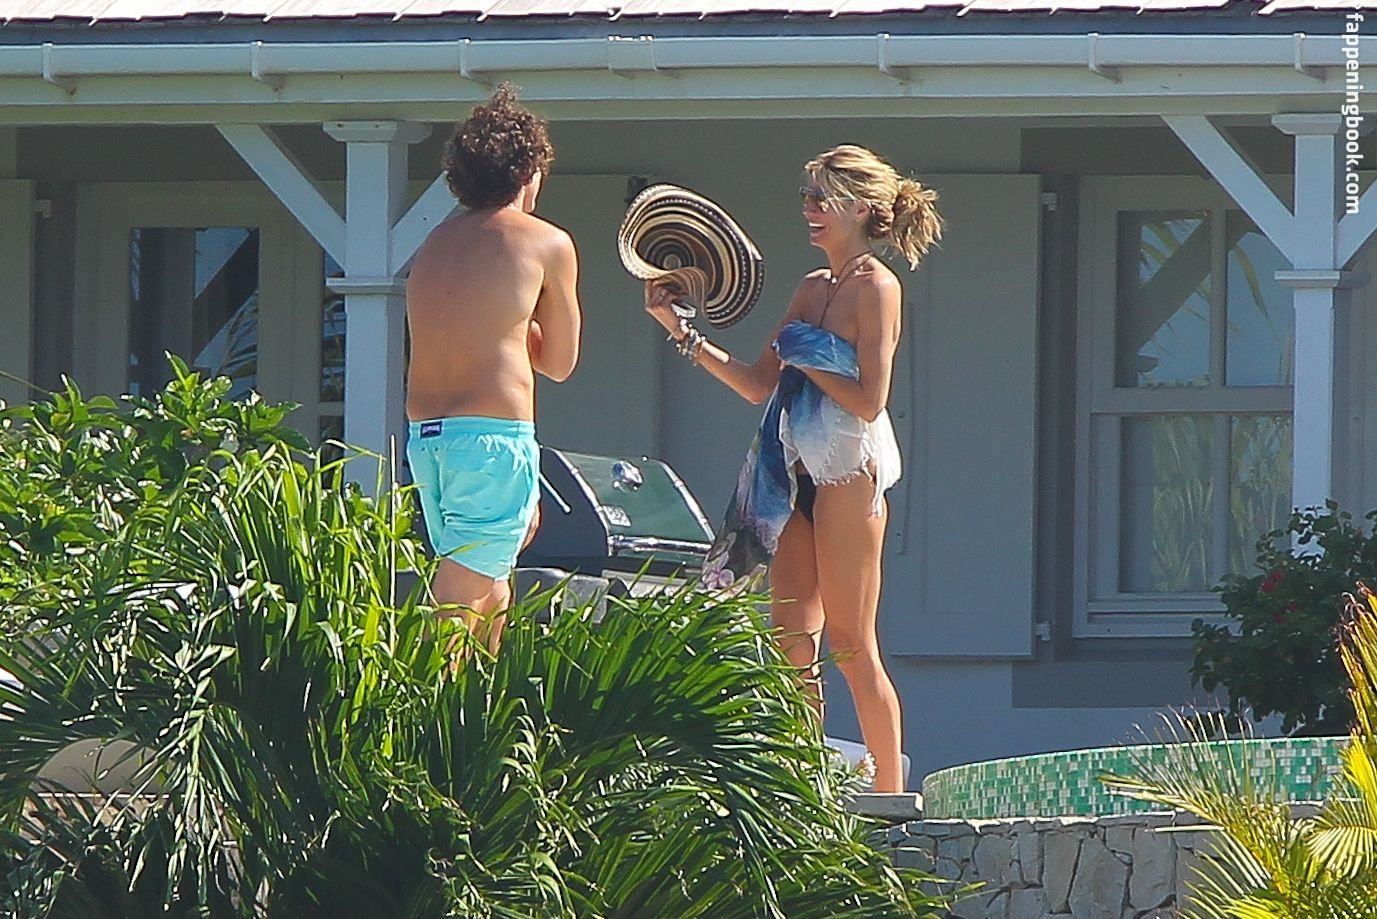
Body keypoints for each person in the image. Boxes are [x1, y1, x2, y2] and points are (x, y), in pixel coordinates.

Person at [643, 145, 941, 792]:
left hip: (847, 476)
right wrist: (683, 331)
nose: (808, 208)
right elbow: (758, 384)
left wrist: (807, 354)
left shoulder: (877, 288)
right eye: (806, 196)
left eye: (820, 197)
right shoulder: (812, 287)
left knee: (850, 643)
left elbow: (870, 400)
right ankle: (805, 786)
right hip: (789, 475)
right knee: (790, 641)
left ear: (858, 208)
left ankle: (890, 794)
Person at [406, 83, 582, 650]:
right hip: (492, 439)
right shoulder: (547, 242)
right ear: (528, 173)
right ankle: (416, 703)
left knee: (494, 582)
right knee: (460, 594)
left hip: (427, 440)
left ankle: (475, 703)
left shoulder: (434, 242)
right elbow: (561, 362)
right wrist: (524, 326)